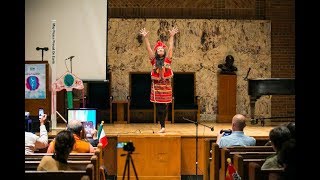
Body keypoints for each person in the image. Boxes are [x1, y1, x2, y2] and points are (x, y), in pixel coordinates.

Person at [139, 26, 179, 133]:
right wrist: (146, 38)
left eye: (162, 49)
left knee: (164, 106)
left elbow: (171, 48)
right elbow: (148, 49)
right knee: (158, 106)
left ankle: (163, 125)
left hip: (165, 86)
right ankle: (161, 125)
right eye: (159, 49)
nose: (161, 50)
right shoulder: (154, 60)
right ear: (156, 51)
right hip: (157, 86)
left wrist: (172, 36)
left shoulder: (167, 59)